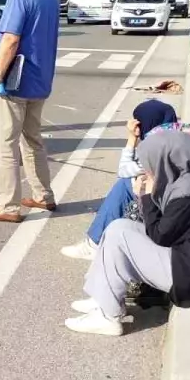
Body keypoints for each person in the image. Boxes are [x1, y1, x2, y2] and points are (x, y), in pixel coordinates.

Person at [64, 130, 190, 336]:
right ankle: (103, 298)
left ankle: (108, 317)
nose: (148, 169)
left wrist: (145, 197)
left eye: (150, 163)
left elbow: (160, 236)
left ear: (164, 161)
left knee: (121, 236)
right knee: (119, 227)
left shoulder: (189, 193)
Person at [0, 0, 60, 223]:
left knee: (3, 145)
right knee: (32, 141)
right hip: (40, 82)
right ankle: (43, 195)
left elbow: (10, 40)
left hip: (15, 84)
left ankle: (9, 207)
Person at [60, 100, 181, 260]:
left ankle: (93, 244)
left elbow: (124, 170)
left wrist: (132, 138)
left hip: (174, 205)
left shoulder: (157, 149)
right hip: (188, 199)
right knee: (131, 183)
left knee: (125, 185)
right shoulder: (178, 137)